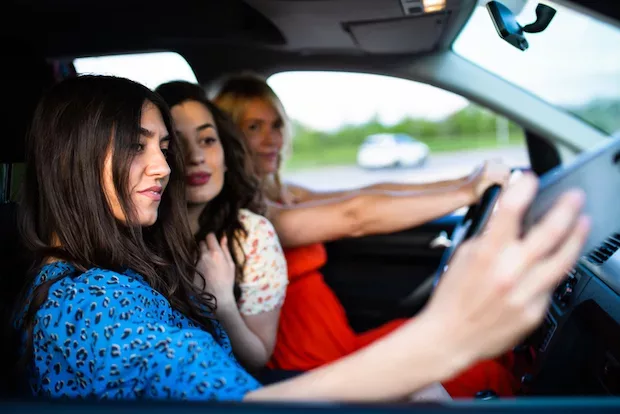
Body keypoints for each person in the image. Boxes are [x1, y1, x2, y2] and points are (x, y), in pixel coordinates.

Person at [16, 75, 589, 402]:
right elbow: (240, 402)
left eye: (163, 147)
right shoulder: (88, 305)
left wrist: (469, 184)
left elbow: (360, 200)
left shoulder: (119, 267)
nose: (166, 165)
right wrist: (443, 340)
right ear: (74, 161)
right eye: (139, 145)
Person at [212, 74, 519, 394]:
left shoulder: (279, 191)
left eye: (276, 125)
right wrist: (466, 193)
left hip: (337, 340)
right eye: (253, 127)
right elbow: (355, 215)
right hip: (310, 360)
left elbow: (369, 190)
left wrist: (463, 183)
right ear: (229, 136)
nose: (271, 138)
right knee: (477, 368)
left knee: (470, 335)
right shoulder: (252, 216)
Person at [154, 81, 288, 373]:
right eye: (176, 144)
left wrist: (223, 303)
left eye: (207, 140)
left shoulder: (251, 235)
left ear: (226, 156)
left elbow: (258, 356)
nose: (196, 157)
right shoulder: (134, 229)